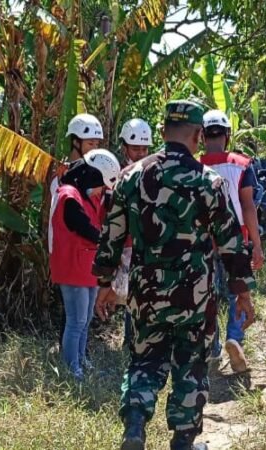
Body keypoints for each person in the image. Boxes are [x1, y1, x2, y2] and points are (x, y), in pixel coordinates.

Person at [94, 100, 256, 450]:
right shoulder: (208, 182)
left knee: (144, 360)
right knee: (191, 366)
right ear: (198, 135)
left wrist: (105, 284)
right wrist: (242, 291)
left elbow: (111, 235)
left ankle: (135, 426)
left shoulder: (130, 177)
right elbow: (230, 242)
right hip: (194, 295)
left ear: (163, 131)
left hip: (146, 292)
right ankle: (183, 441)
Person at [199, 109, 263, 373]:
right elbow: (248, 206)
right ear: (227, 135)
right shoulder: (241, 164)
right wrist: (257, 245)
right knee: (238, 292)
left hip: (203, 239)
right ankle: (234, 338)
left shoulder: (194, 165)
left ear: (202, 137)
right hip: (235, 237)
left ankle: (212, 351)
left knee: (208, 297)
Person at [50, 149, 121, 381]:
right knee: (76, 321)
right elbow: (80, 225)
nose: (101, 190)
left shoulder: (87, 196)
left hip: (86, 268)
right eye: (101, 184)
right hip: (72, 267)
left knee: (86, 319)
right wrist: (105, 240)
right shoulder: (68, 195)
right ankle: (73, 370)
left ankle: (82, 361)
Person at [114, 119, 154, 349]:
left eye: (144, 149)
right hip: (128, 243)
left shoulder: (154, 172)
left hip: (149, 243)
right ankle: (131, 339)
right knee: (130, 294)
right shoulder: (120, 175)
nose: (140, 153)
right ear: (125, 148)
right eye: (135, 148)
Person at [48, 113, 105, 254]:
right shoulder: (60, 177)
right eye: (90, 143)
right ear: (76, 142)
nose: (94, 149)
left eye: (97, 144)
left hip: (88, 255)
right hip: (70, 254)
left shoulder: (96, 172)